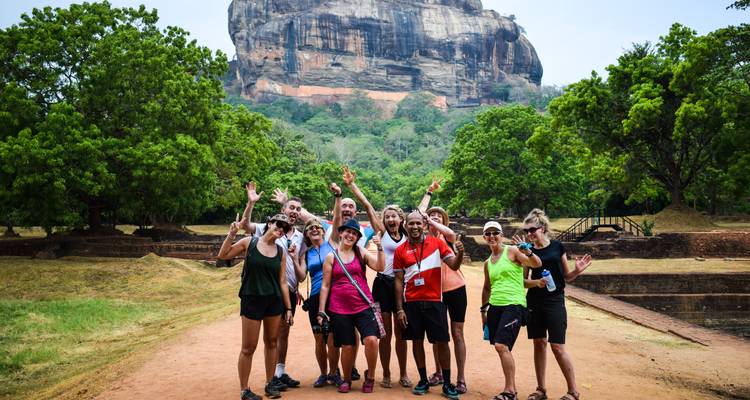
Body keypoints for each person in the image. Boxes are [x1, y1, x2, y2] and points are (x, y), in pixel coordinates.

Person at [218, 213, 295, 400]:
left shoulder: (280, 252)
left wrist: (288, 308)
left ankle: (270, 383)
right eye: (278, 224)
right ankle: (244, 389)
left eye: (284, 228)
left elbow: (283, 281)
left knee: (271, 342)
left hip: (273, 301)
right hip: (252, 299)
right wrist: (231, 234)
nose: (280, 229)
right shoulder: (249, 242)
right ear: (269, 224)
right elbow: (223, 255)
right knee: (248, 347)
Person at [520, 209, 591, 400]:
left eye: (532, 229)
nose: (529, 234)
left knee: (557, 346)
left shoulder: (557, 247)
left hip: (555, 301)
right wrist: (537, 283)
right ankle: (541, 389)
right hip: (535, 300)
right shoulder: (527, 251)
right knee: (539, 343)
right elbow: (523, 281)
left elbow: (566, 277)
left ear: (542, 228)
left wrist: (577, 271)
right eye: (526, 231)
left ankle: (573, 391)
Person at [239, 182, 304, 389]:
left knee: (280, 335)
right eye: (290, 208)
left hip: (288, 291)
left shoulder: (301, 236)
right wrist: (250, 203)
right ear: (282, 210)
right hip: (264, 290)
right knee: (265, 339)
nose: (294, 212)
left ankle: (278, 372)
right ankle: (271, 378)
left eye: (297, 209)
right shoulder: (268, 227)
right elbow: (245, 225)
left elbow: (296, 266)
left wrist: (296, 290)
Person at [394, 211, 464, 400]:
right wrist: (400, 308)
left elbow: (454, 265)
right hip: (411, 302)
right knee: (417, 341)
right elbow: (399, 281)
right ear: (405, 226)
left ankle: (448, 382)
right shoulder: (401, 250)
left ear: (424, 225)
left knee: (442, 341)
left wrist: (461, 253)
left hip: (434, 300)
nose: (415, 227)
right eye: (411, 224)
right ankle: (423, 379)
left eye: (418, 223)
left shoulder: (437, 243)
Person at [317, 218, 385, 393]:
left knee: (371, 340)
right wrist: (321, 310)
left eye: (354, 233)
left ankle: (370, 376)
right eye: (348, 231)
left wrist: (379, 247)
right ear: (340, 233)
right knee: (347, 346)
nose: (350, 235)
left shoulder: (360, 252)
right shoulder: (331, 257)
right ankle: (346, 379)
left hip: (363, 304)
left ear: (357, 237)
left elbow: (380, 266)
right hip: (339, 308)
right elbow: (325, 285)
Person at [480, 221, 542, 400]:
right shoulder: (487, 263)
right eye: (488, 233)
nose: (492, 236)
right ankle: (511, 390)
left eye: (495, 233)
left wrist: (528, 250)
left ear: (501, 234)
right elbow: (486, 287)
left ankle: (509, 391)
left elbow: (536, 264)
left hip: (514, 305)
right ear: (484, 237)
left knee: (501, 345)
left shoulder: (512, 251)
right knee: (501, 347)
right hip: (495, 307)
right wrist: (483, 310)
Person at [418, 200, 469, 394]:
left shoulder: (447, 237)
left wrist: (432, 221)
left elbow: (448, 233)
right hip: (434, 291)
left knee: (457, 333)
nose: (434, 218)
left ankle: (461, 377)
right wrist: (425, 217)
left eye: (438, 216)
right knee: (438, 335)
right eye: (431, 216)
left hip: (455, 288)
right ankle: (439, 372)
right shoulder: (423, 240)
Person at [370, 204, 412, 388]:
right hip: (382, 284)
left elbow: (419, 212)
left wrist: (429, 192)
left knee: (401, 332)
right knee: (385, 333)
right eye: (387, 217)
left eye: (394, 216)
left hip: (402, 285)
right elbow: (368, 207)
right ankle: (386, 373)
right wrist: (353, 186)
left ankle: (403, 373)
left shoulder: (408, 235)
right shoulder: (383, 233)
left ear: (401, 218)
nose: (390, 219)